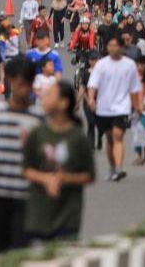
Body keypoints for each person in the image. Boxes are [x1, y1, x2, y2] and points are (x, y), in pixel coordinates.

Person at [0, 57, 42, 254]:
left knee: (21, 246)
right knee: (1, 246)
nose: (23, 89)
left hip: (26, 193)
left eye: (27, 84)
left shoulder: (39, 117)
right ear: (10, 81)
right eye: (18, 83)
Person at [23, 82, 95, 241]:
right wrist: (45, 179)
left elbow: (89, 175)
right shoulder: (36, 133)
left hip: (68, 216)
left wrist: (64, 178)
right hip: (38, 215)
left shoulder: (78, 137)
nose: (43, 96)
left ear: (63, 103)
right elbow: (26, 169)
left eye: (49, 94)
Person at [87, 36, 142, 182]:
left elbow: (134, 88)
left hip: (122, 108)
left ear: (121, 47)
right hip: (103, 108)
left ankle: (118, 168)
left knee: (118, 136)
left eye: (115, 45)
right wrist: (91, 99)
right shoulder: (101, 65)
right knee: (109, 139)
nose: (113, 48)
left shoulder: (129, 65)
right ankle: (112, 167)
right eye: (110, 46)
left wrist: (137, 107)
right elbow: (93, 84)